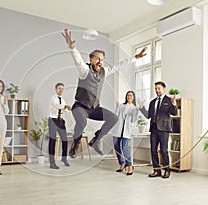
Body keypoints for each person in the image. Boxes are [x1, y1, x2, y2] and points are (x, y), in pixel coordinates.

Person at [61, 28, 146, 158]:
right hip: (80, 107)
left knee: (114, 118)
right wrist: (72, 48)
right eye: (97, 59)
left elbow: (119, 66)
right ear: (91, 58)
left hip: (94, 108)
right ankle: (75, 144)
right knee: (82, 122)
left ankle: (96, 140)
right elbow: (77, 60)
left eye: (102, 60)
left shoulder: (104, 71)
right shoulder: (84, 70)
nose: (100, 62)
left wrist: (135, 58)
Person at [138, 81, 177, 179]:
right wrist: (141, 107)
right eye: (156, 88)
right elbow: (148, 116)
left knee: (164, 150)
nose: (157, 90)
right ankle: (156, 170)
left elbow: (174, 113)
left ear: (164, 89)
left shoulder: (169, 100)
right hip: (154, 129)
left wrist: (173, 103)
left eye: (159, 88)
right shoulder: (153, 102)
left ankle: (167, 171)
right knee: (153, 150)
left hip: (164, 129)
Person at [111, 91, 138, 175]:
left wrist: (136, 111)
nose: (129, 96)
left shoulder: (134, 108)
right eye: (128, 95)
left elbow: (133, 120)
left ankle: (130, 165)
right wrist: (117, 107)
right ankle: (122, 163)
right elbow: (115, 116)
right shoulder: (122, 106)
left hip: (127, 131)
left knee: (124, 147)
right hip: (118, 129)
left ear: (133, 98)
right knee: (116, 146)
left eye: (131, 95)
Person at [48, 83, 72, 169]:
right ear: (56, 89)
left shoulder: (63, 100)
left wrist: (71, 109)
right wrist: (65, 106)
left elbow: (66, 110)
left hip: (61, 121)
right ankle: (52, 163)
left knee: (65, 140)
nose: (61, 90)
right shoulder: (53, 98)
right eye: (59, 88)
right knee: (52, 141)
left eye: (62, 89)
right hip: (53, 121)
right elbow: (57, 105)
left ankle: (64, 158)